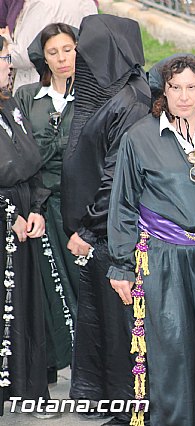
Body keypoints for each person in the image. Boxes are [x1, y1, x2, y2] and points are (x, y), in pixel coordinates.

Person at [108, 54, 195, 426]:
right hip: (164, 258)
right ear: (162, 91)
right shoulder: (140, 137)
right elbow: (122, 202)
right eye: (175, 87)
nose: (183, 96)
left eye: (191, 87)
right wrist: (122, 264)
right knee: (172, 347)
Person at [61, 14, 151, 425]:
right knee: (99, 318)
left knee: (120, 325)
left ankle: (129, 406)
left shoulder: (130, 101)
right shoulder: (104, 92)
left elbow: (117, 177)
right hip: (97, 232)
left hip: (111, 233)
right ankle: (102, 396)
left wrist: (88, 227)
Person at [14, 22, 78, 385]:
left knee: (79, 285)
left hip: (76, 207)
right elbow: (22, 153)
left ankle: (86, 363)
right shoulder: (27, 97)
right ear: (43, 57)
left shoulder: (88, 97)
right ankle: (50, 364)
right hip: (37, 206)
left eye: (67, 49)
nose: (61, 58)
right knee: (43, 288)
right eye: (53, 52)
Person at [0, 34, 52, 418]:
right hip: (4, 217)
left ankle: (26, 386)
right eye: (3, 57)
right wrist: (7, 214)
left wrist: (35, 207)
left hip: (22, 215)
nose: (9, 64)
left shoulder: (10, 105)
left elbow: (31, 163)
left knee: (25, 306)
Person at [0, 0, 97, 92]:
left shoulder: (43, 5)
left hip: (43, 85)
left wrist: (4, 46)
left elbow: (26, 55)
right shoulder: (88, 2)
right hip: (84, 84)